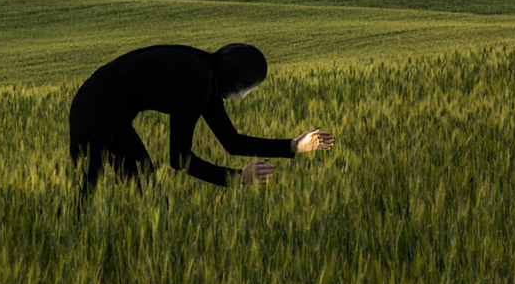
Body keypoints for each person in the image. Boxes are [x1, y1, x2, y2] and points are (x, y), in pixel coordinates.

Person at [67, 43, 334, 190]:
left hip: (109, 111)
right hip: (93, 110)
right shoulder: (195, 83)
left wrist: (293, 146)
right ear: (239, 84)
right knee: (86, 187)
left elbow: (231, 142)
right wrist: (237, 177)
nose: (245, 96)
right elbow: (180, 159)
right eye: (250, 90)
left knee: (144, 187)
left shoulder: (206, 74)